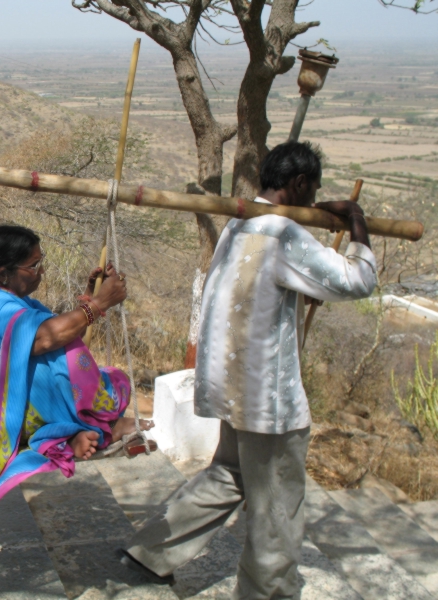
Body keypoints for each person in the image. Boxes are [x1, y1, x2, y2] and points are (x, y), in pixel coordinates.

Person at [121, 141, 377, 598]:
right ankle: (268, 592)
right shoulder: (282, 232)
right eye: (312, 189)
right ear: (298, 184)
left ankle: (152, 550)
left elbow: (260, 290)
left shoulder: (240, 223)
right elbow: (358, 281)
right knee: (277, 504)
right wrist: (356, 222)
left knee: (231, 475)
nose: (314, 199)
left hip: (231, 385)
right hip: (267, 397)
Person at [0, 225, 155, 534]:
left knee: (75, 356)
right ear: (4, 273)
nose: (40, 272)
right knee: (92, 374)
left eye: (41, 262)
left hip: (6, 413)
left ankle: (71, 433)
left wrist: (91, 298)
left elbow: (62, 332)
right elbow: (45, 339)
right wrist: (98, 305)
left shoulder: (13, 302)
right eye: (33, 266)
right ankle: (99, 426)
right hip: (0, 419)